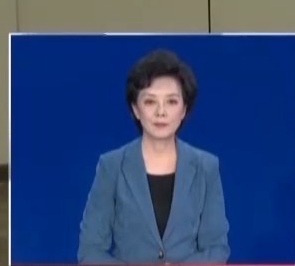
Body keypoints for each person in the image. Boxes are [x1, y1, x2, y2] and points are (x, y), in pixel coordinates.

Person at [78, 49, 229, 264]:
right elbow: (90, 251)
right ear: (135, 109)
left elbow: (217, 249)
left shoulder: (206, 167)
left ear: (184, 109)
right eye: (150, 102)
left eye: (171, 102)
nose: (161, 112)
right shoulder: (111, 166)